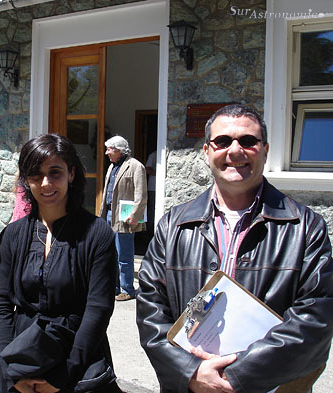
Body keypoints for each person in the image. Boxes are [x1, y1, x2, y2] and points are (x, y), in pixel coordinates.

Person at [136, 104, 333, 393]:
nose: (235, 150)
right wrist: (192, 373)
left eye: (248, 141)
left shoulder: (306, 228)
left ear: (265, 150)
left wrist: (237, 377)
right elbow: (151, 310)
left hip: (271, 386)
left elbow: (315, 318)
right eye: (223, 141)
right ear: (206, 152)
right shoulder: (172, 225)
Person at [0, 134, 123, 393]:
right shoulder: (12, 235)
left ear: (71, 174)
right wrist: (12, 369)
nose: (45, 183)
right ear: (25, 180)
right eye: (35, 175)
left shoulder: (97, 234)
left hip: (77, 361)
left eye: (55, 172)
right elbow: (2, 305)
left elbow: (98, 309)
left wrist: (63, 375)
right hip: (21, 359)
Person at [100, 136, 147, 301]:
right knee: (110, 254)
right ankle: (114, 287)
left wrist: (135, 215)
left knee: (124, 255)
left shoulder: (135, 166)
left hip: (125, 216)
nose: (107, 153)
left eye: (109, 149)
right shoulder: (112, 167)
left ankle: (127, 289)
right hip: (109, 215)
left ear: (118, 150)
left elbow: (141, 194)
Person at [145, 150, 157, 242]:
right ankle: (149, 231)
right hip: (152, 187)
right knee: (152, 209)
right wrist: (158, 173)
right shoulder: (153, 155)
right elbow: (147, 169)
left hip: (158, 186)